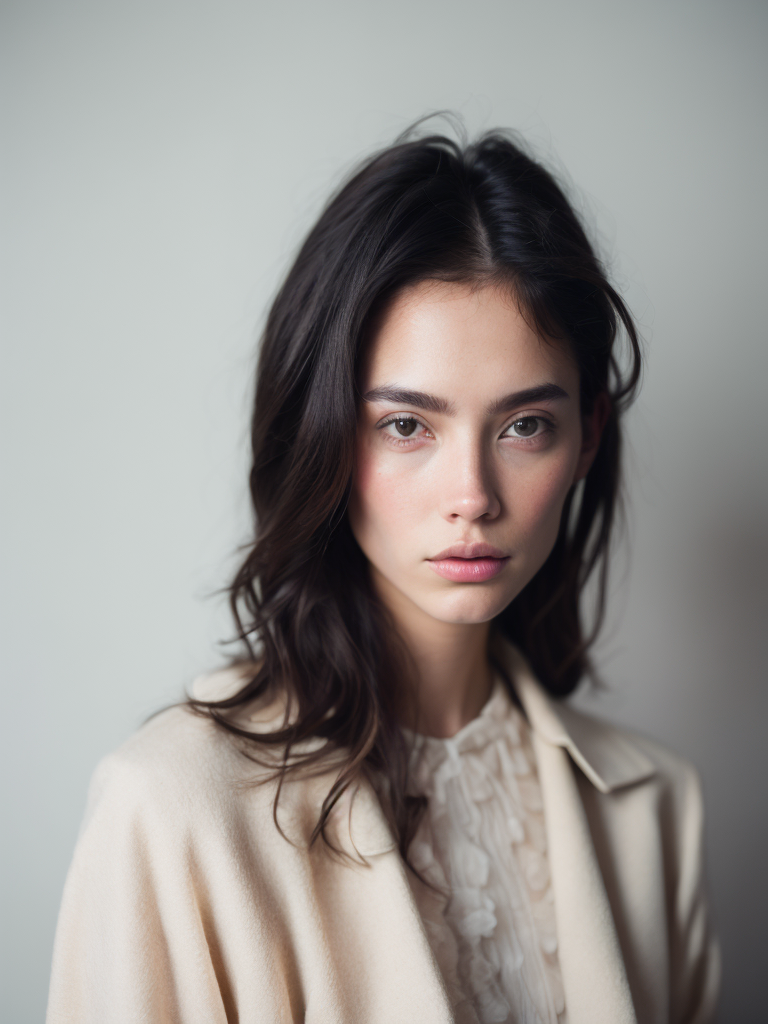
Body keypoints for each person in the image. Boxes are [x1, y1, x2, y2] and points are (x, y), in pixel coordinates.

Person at [46, 124, 720, 1024]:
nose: (472, 496)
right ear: (321, 432)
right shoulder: (169, 808)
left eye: (525, 426)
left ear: (588, 434)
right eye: (407, 426)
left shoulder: (656, 810)